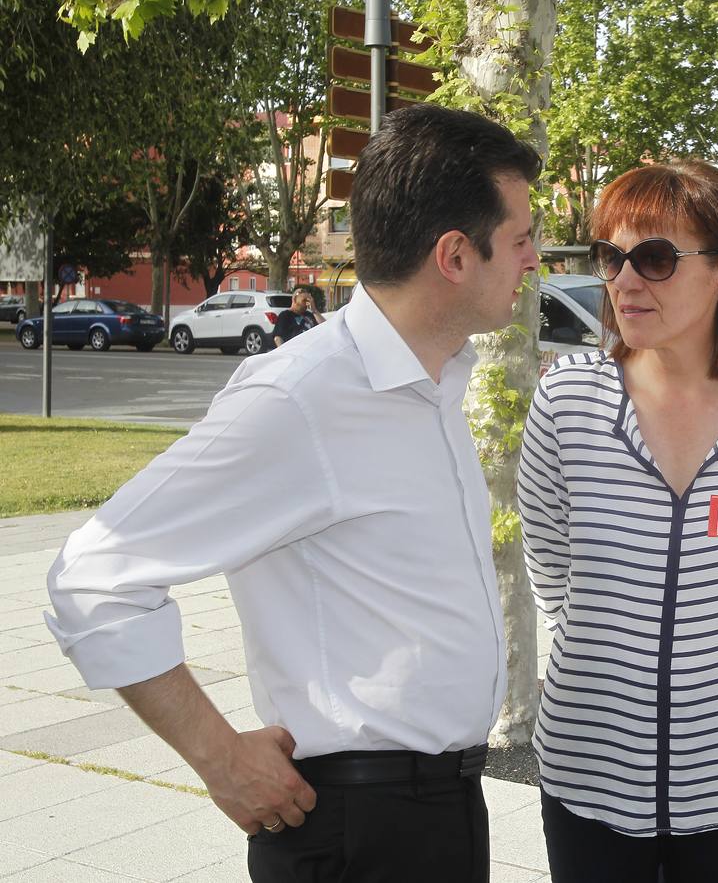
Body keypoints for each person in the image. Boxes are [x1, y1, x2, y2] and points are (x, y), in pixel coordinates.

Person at [45, 104, 542, 882]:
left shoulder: (440, 382)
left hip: (439, 812)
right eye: (521, 239)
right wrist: (220, 758)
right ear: (454, 255)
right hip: (356, 829)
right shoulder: (300, 398)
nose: (535, 260)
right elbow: (93, 575)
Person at [517, 160, 718, 883]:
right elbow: (553, 573)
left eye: (656, 258)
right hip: (590, 764)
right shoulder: (567, 401)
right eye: (610, 257)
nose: (625, 281)